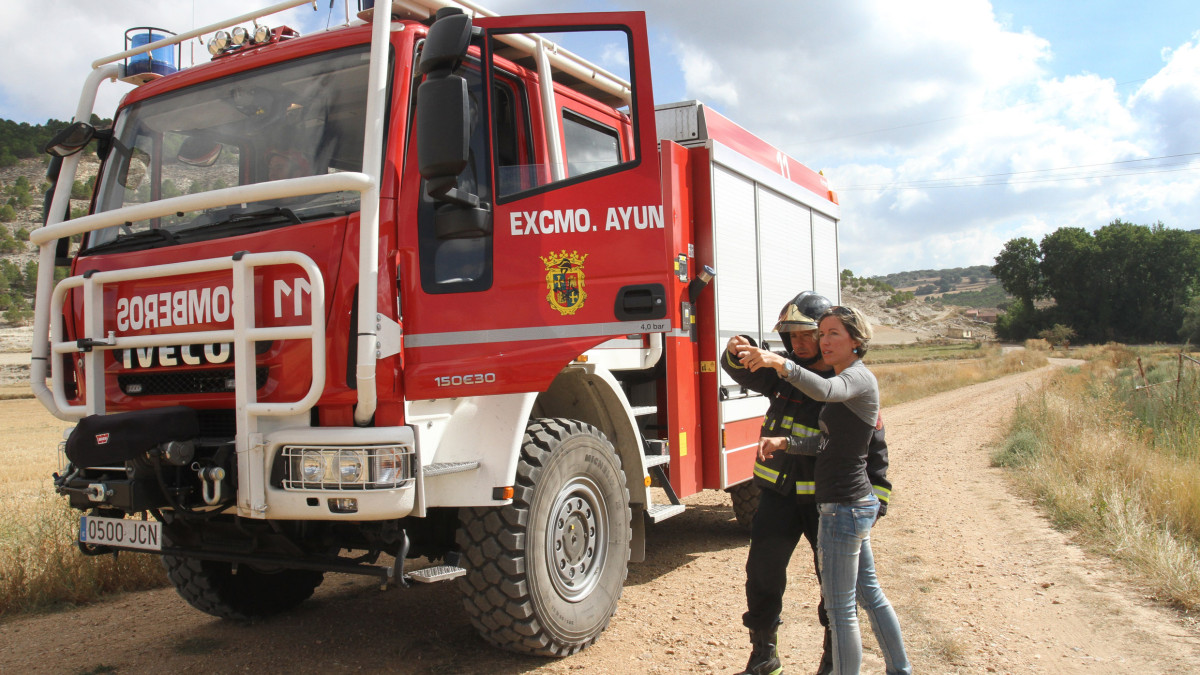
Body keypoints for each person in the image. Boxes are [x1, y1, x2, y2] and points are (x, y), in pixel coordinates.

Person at [725, 293, 892, 675]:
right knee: (762, 575)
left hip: (828, 505)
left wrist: (876, 501)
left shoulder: (846, 381)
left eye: (806, 336)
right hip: (779, 498)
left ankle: (834, 662)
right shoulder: (785, 373)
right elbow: (745, 370)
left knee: (836, 588)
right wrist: (737, 350)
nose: (797, 344)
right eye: (791, 337)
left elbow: (875, 449)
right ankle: (764, 658)